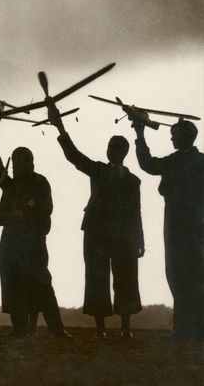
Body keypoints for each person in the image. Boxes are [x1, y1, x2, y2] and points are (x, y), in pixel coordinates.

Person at [47, 103, 144, 339]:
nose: (113, 151)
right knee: (97, 277)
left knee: (126, 278)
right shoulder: (98, 170)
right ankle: (100, 329)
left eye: (117, 148)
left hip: (123, 235)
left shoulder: (133, 182)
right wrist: (59, 125)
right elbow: (74, 156)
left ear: (124, 152)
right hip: (96, 232)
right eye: (111, 147)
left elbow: (136, 212)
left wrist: (139, 239)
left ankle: (125, 328)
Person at [0, 122, 70, 337]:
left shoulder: (41, 183)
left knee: (42, 285)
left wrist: (26, 214)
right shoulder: (10, 185)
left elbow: (46, 210)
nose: (16, 164)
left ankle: (56, 329)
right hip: (10, 244)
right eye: (14, 160)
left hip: (33, 243)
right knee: (12, 285)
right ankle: (20, 330)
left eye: (21, 160)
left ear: (31, 162)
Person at [131, 118, 204, 341]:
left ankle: (183, 330)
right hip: (198, 224)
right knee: (196, 276)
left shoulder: (178, 160)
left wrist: (140, 135)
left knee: (178, 274)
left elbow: (148, 165)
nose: (171, 138)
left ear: (183, 137)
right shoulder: (200, 160)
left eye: (174, 135)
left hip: (177, 223)